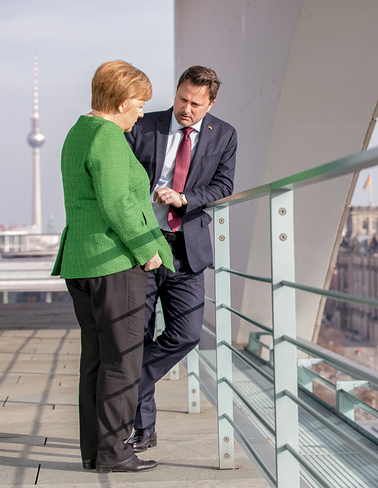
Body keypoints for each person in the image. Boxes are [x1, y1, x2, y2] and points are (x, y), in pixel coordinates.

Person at [52, 60, 174, 473]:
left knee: (97, 360)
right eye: (140, 104)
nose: (142, 112)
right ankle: (116, 452)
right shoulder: (107, 136)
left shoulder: (78, 131)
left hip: (81, 262)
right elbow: (117, 202)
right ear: (122, 102)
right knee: (123, 361)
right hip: (113, 262)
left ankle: (96, 452)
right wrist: (147, 250)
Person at [125, 65, 237, 452]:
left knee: (187, 334)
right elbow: (123, 183)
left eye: (195, 104)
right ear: (176, 93)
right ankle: (144, 429)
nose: (186, 109)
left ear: (211, 103)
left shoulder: (224, 134)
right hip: (143, 245)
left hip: (187, 249)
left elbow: (224, 184)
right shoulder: (142, 126)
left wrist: (185, 198)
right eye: (182, 99)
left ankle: (128, 381)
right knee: (137, 337)